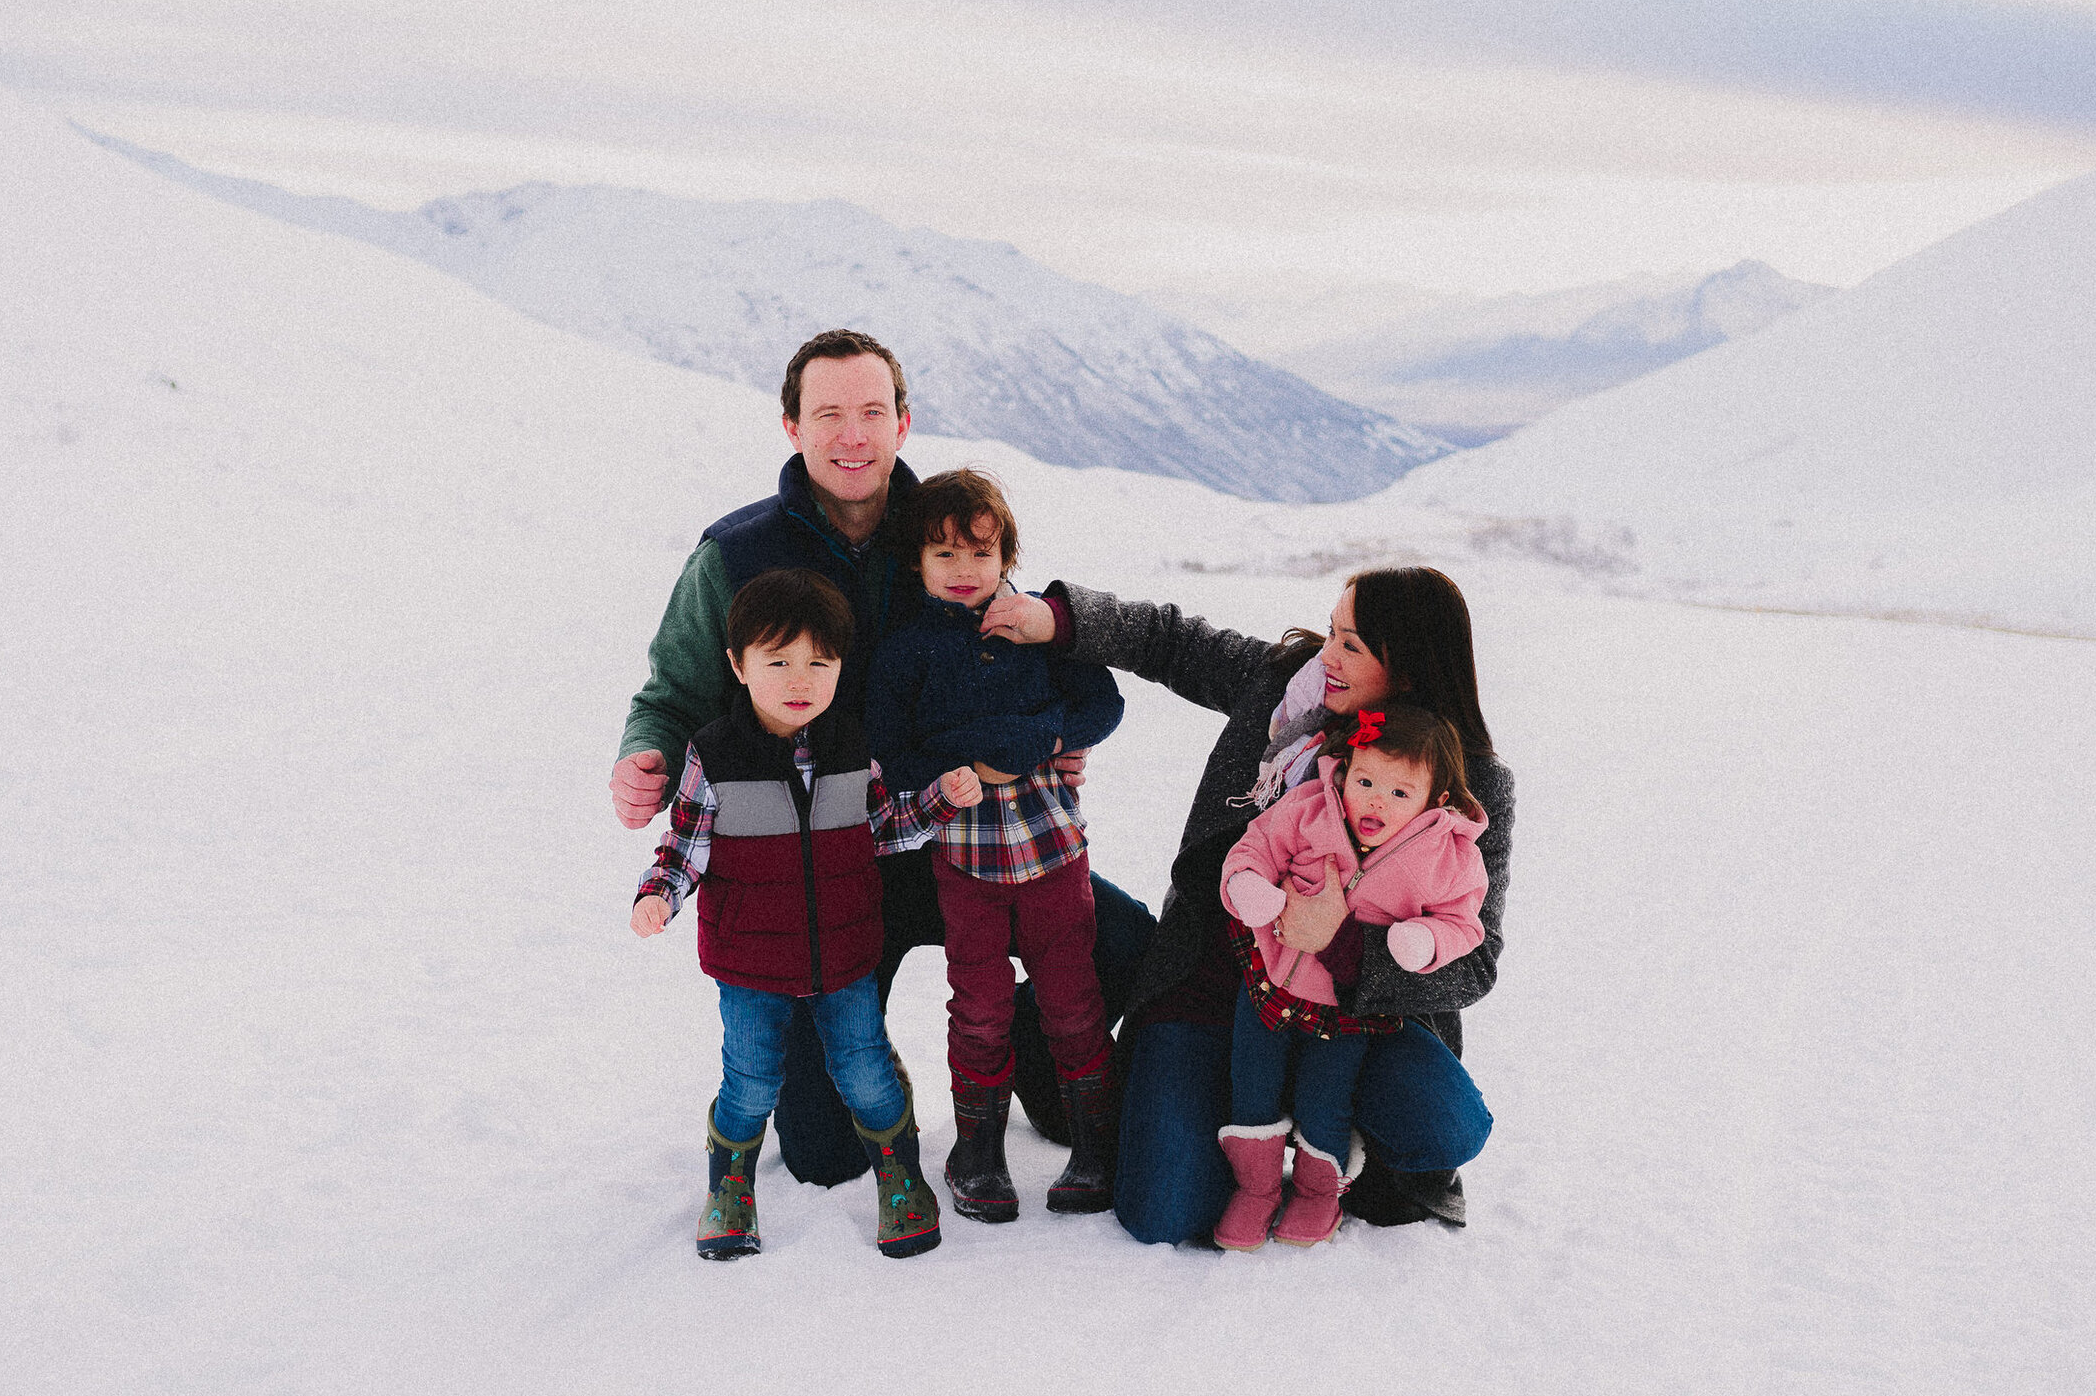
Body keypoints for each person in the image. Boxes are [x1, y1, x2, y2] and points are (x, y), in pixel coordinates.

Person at [610, 330, 1155, 1187]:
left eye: (872, 411)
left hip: (965, 838)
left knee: (1127, 948)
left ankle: (1038, 1062)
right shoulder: (734, 554)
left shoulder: (949, 531)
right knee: (828, 1155)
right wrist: (643, 752)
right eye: (829, 413)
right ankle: (860, 1079)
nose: (852, 434)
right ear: (791, 425)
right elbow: (672, 694)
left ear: (904, 420)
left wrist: (1046, 742)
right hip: (824, 872)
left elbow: (1024, 657)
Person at [977, 566, 1510, 1244]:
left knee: (1447, 1126)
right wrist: (1057, 618)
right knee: (1165, 1209)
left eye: (1351, 645)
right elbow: (1170, 641)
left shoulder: (1472, 781)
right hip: (1218, 979)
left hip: (1354, 1017)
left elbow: (1476, 956)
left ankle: (1318, 1129)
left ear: (1404, 669)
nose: (1328, 655)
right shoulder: (1286, 687)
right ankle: (1172, 1089)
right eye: (1331, 630)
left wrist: (1340, 939)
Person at [631, 569, 985, 1260]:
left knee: (864, 1069)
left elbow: (881, 827)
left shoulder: (851, 746)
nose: (801, 678)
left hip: (847, 954)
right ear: (738, 664)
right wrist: (658, 893)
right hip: (750, 963)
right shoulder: (716, 755)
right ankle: (730, 1182)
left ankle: (899, 1173)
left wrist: (939, 798)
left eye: (819, 662)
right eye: (779, 660)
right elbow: (686, 842)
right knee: (752, 1075)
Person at [865, 469, 1127, 1220]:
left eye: (980, 553)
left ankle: (1094, 1139)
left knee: (1070, 992)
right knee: (978, 1000)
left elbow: (1101, 703)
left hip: (1051, 848)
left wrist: (1042, 736)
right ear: (916, 561)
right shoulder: (907, 649)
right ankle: (977, 1149)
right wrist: (960, 762)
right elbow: (892, 744)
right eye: (944, 554)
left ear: (1007, 553)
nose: (963, 570)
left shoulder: (1034, 625)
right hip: (965, 853)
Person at [1211, 702, 1488, 1250]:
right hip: (1270, 982)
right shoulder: (1312, 806)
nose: (1375, 801)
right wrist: (1249, 885)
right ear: (1344, 770)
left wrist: (1425, 940)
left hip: (1347, 1008)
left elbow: (1464, 924)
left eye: (1399, 793)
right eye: (1364, 780)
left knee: (1326, 1096)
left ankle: (1318, 1193)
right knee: (1252, 1083)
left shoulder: (1447, 856)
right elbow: (1257, 845)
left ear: (1438, 800)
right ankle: (1257, 1188)